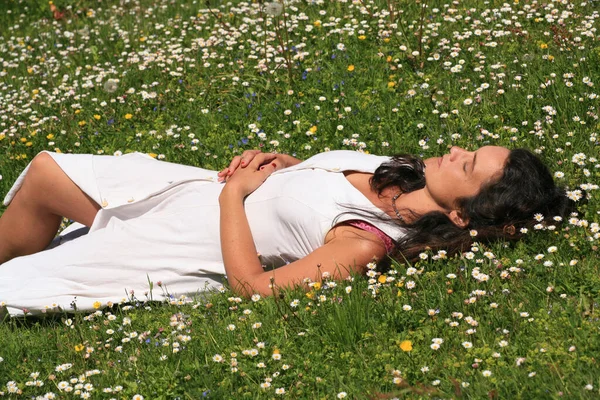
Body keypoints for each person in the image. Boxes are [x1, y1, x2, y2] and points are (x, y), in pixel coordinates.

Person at [0, 146, 571, 316]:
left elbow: (256, 288)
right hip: (190, 192)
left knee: (16, 284)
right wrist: (288, 166)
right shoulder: (404, 173)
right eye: (470, 147)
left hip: (185, 240)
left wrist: (235, 196)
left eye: (466, 165)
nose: (453, 151)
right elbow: (315, 190)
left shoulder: (365, 241)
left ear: (462, 217)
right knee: (49, 172)